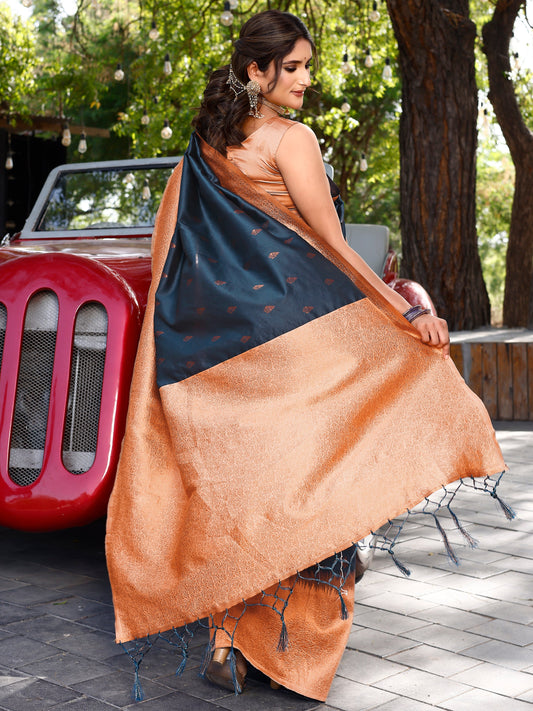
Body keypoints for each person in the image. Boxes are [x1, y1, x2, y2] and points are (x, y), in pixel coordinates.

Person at [105, 9, 510, 704]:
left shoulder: (207, 146)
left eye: (307, 67)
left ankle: (230, 643)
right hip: (294, 348)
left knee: (247, 497)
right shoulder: (292, 140)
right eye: (291, 67)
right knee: (317, 492)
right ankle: (292, 654)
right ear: (255, 71)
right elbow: (332, 245)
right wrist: (405, 313)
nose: (304, 80)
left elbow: (170, 254)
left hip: (222, 357)